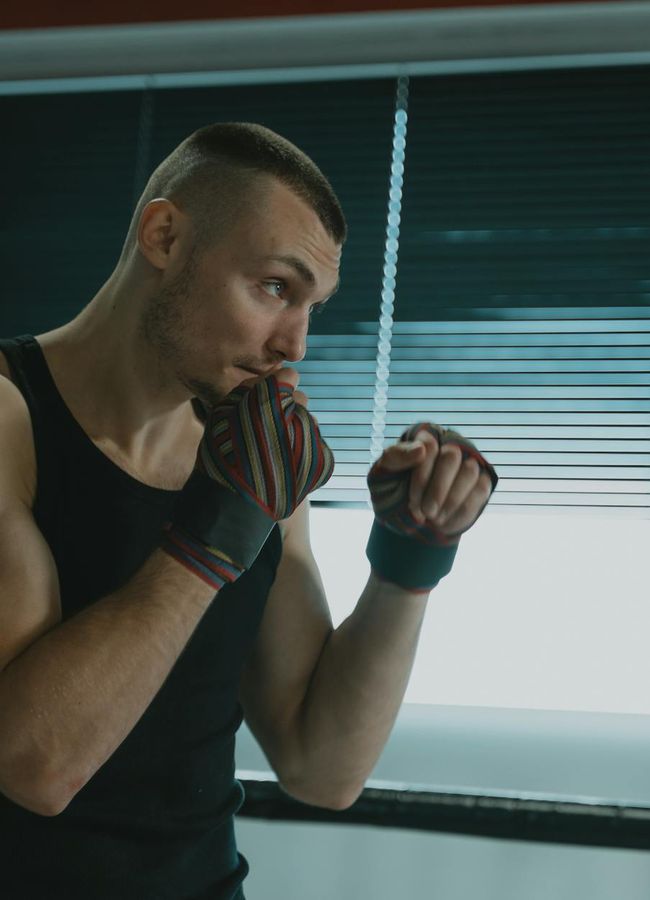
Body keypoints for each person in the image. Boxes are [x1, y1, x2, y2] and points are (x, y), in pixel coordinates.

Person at [0, 121, 497, 898]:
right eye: (274, 287)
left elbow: (320, 767)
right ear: (163, 236)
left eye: (314, 307)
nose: (294, 345)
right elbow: (36, 765)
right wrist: (215, 534)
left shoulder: (251, 457)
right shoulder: (11, 424)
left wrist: (407, 558)